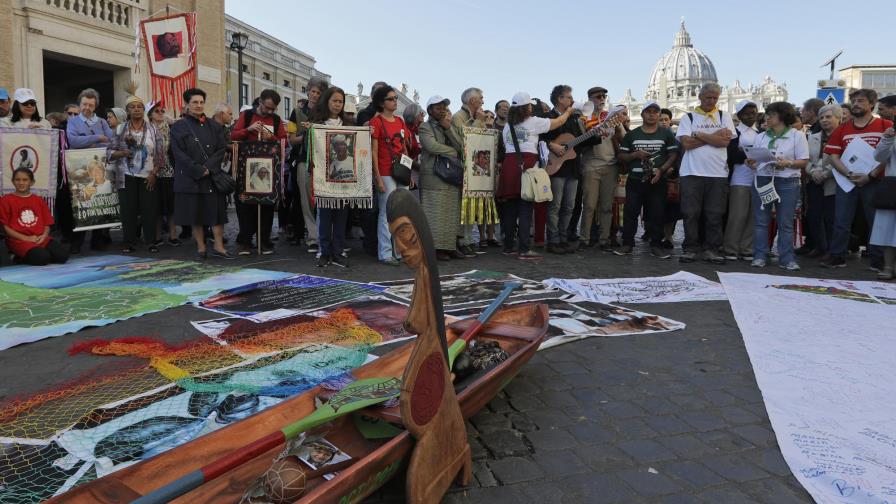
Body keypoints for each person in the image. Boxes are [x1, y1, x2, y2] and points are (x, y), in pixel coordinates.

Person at [821, 89, 893, 270]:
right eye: (853, 101)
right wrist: (848, 174)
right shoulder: (843, 128)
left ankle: (878, 260)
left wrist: (871, 175)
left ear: (872, 104)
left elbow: (889, 156)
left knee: (876, 221)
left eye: (861, 101)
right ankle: (837, 256)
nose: (856, 104)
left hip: (875, 182)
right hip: (847, 182)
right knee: (841, 220)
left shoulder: (885, 125)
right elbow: (833, 156)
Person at [497, 91, 574, 260]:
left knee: (509, 209)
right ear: (526, 107)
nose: (532, 108)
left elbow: (506, 146)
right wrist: (568, 112)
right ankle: (524, 249)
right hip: (527, 165)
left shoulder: (507, 126)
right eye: (530, 105)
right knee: (525, 209)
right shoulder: (533, 122)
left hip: (510, 166)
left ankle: (508, 246)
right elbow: (558, 122)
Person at [676, 82, 737, 264]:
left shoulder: (723, 116)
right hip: (691, 172)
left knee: (715, 213)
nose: (711, 101)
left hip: (717, 173)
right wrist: (713, 136)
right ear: (700, 97)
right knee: (690, 212)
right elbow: (686, 144)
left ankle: (712, 249)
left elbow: (724, 142)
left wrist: (699, 135)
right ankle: (690, 248)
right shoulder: (688, 117)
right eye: (708, 97)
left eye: (715, 98)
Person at [745, 102, 810, 270]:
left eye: (771, 114)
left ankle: (787, 258)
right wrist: (751, 162)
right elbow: (756, 160)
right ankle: (759, 255)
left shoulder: (797, 135)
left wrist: (787, 163)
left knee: (785, 222)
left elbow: (803, 161)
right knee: (761, 221)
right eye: (767, 114)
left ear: (782, 116)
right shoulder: (761, 136)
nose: (767, 117)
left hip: (787, 181)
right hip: (763, 179)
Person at [170, 87, 233, 260]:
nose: (199, 106)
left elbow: (221, 148)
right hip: (191, 177)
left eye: (201, 102)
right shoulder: (178, 127)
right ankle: (201, 248)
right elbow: (178, 153)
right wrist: (198, 169)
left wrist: (209, 168)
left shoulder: (214, 125)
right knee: (196, 214)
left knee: (217, 214)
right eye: (194, 102)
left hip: (211, 176)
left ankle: (219, 247)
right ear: (187, 104)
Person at [615, 100, 679, 258]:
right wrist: (635, 155)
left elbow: (673, 155)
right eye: (648, 111)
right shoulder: (632, 135)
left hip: (657, 180)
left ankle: (656, 245)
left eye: (655, 112)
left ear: (659, 114)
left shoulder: (666, 134)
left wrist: (662, 170)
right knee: (631, 212)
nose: (652, 114)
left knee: (657, 213)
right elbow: (621, 155)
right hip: (636, 179)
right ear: (642, 114)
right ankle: (627, 244)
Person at [231, 89, 288, 256]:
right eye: (267, 107)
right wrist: (248, 129)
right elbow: (233, 135)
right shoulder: (247, 115)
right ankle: (246, 243)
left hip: (269, 168)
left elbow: (284, 141)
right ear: (260, 102)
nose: (269, 112)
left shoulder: (276, 120)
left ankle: (264, 241)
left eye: (273, 109)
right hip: (247, 167)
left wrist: (271, 137)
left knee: (267, 205)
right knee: (245, 205)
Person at [108, 95, 165, 253]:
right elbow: (109, 153)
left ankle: (150, 242)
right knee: (128, 210)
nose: (136, 109)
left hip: (148, 176)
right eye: (132, 107)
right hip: (125, 176)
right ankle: (128, 242)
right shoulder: (120, 130)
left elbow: (160, 156)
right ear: (127, 111)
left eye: (139, 106)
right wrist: (123, 153)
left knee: (149, 209)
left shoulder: (154, 129)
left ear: (143, 109)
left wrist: (154, 174)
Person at [307, 86, 354, 268]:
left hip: (343, 179)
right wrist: (309, 132)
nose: (337, 104)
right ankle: (324, 251)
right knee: (324, 216)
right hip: (324, 178)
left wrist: (368, 133)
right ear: (327, 101)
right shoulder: (318, 123)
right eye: (334, 101)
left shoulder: (349, 126)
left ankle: (337, 251)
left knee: (341, 216)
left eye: (340, 101)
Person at [65, 88, 114, 254]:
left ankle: (97, 240)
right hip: (78, 170)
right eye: (84, 104)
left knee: (98, 201)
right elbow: (73, 140)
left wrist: (86, 141)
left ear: (95, 106)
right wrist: (98, 138)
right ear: (80, 104)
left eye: (91, 105)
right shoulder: (72, 121)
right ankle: (76, 242)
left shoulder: (102, 122)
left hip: (99, 168)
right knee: (81, 204)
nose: (87, 108)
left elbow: (112, 142)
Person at [370, 85, 413, 265]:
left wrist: (408, 172)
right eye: (391, 98)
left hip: (399, 171)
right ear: (381, 102)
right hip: (385, 172)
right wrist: (378, 177)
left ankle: (399, 251)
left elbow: (403, 149)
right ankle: (386, 252)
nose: (395, 101)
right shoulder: (376, 122)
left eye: (396, 98)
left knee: (400, 213)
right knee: (386, 213)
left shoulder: (400, 121)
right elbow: (373, 152)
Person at [419, 95, 465, 261]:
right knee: (434, 214)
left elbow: (461, 146)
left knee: (451, 214)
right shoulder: (425, 127)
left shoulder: (449, 126)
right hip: (433, 176)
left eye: (444, 108)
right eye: (438, 108)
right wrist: (452, 152)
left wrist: (448, 129)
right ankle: (435, 248)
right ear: (430, 110)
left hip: (451, 177)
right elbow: (431, 146)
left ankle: (450, 246)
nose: (442, 111)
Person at [576, 86, 622, 251]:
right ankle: (584, 239)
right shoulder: (582, 119)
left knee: (606, 206)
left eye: (604, 96)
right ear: (590, 99)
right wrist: (594, 134)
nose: (602, 99)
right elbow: (580, 143)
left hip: (611, 165)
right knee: (588, 205)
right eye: (598, 96)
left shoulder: (610, 117)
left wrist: (619, 124)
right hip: (590, 166)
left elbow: (622, 138)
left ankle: (604, 240)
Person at [542, 85, 585, 254]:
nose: (571, 100)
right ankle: (553, 240)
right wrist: (551, 145)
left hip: (572, 168)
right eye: (568, 97)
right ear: (560, 99)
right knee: (555, 205)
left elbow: (579, 143)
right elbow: (538, 139)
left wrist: (595, 133)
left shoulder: (575, 119)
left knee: (569, 206)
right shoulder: (547, 117)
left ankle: (563, 237)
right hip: (555, 168)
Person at [289, 76, 329, 253]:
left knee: (321, 200)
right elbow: (292, 140)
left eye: (318, 92)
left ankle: (324, 235)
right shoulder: (296, 112)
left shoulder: (326, 113)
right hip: (303, 160)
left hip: (323, 161)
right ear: (308, 91)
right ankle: (313, 237)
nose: (314, 95)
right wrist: (306, 133)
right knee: (306, 200)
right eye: (312, 91)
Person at [0, 168, 69, 265]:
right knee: (42, 258)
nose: (21, 183)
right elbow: (5, 227)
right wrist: (26, 238)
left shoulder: (38, 200)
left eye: (25, 180)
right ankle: (16, 256)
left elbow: (47, 223)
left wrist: (44, 236)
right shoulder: (5, 200)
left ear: (32, 182)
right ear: (12, 181)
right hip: (19, 240)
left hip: (40, 238)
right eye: (17, 180)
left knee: (63, 256)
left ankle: (39, 253)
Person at [722, 100, 759, 260]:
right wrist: (748, 154)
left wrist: (745, 152)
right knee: (737, 216)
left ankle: (747, 248)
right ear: (739, 116)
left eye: (753, 113)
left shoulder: (761, 133)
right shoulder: (735, 133)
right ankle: (731, 248)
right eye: (746, 114)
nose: (750, 116)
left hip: (757, 179)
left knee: (753, 216)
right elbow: (731, 155)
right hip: (739, 179)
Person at [451, 87, 487, 256]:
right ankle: (461, 240)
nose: (483, 101)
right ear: (472, 101)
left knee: (471, 204)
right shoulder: (458, 116)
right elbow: (465, 140)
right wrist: (479, 121)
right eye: (480, 98)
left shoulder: (474, 116)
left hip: (475, 167)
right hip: (462, 166)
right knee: (462, 205)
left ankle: (468, 239)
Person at [804, 104, 841, 259]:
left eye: (828, 117)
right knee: (814, 215)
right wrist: (812, 172)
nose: (824, 120)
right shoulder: (812, 137)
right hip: (813, 180)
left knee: (831, 217)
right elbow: (805, 159)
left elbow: (843, 160)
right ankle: (819, 246)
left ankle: (832, 250)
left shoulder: (842, 136)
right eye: (821, 117)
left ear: (838, 118)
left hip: (833, 181)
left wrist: (826, 174)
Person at [147, 101, 180, 246]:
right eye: (157, 111)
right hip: (152, 172)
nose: (161, 113)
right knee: (157, 207)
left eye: (162, 111)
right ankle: (157, 235)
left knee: (171, 206)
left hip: (169, 171)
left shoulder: (171, 128)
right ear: (150, 115)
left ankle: (173, 235)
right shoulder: (146, 130)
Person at [871, 122, 896, 279]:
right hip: (892, 186)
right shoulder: (891, 136)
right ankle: (887, 266)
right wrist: (886, 138)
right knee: (888, 227)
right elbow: (878, 157)